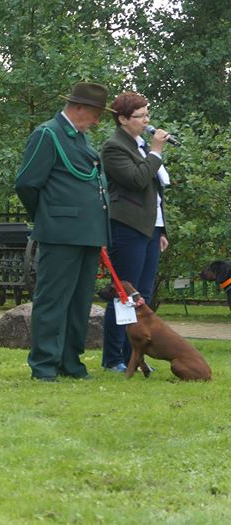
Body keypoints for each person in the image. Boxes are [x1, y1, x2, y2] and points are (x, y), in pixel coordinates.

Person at [14, 81, 111, 382]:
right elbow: (26, 183)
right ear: (79, 108)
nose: (97, 122)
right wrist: (48, 217)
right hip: (59, 233)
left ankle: (70, 362)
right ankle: (44, 365)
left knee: (79, 303)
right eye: (95, 114)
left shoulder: (80, 138)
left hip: (88, 233)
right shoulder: (47, 134)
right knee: (52, 301)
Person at [100, 91, 170, 372]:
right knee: (124, 295)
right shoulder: (114, 147)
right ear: (123, 119)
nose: (146, 121)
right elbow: (138, 180)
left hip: (151, 228)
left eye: (147, 114)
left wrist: (162, 230)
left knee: (143, 295)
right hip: (128, 227)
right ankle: (113, 359)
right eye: (140, 116)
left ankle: (134, 357)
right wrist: (156, 151)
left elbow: (156, 192)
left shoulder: (141, 146)